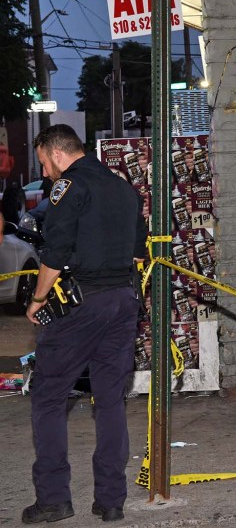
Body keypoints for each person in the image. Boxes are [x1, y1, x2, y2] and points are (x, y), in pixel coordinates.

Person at [23, 124, 147, 524]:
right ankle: (111, 501)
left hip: (83, 305)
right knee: (110, 401)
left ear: (58, 153)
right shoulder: (123, 187)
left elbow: (55, 254)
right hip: (124, 302)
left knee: (47, 395)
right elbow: (139, 251)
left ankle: (53, 499)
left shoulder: (68, 189)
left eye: (44, 163)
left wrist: (38, 299)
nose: (45, 173)